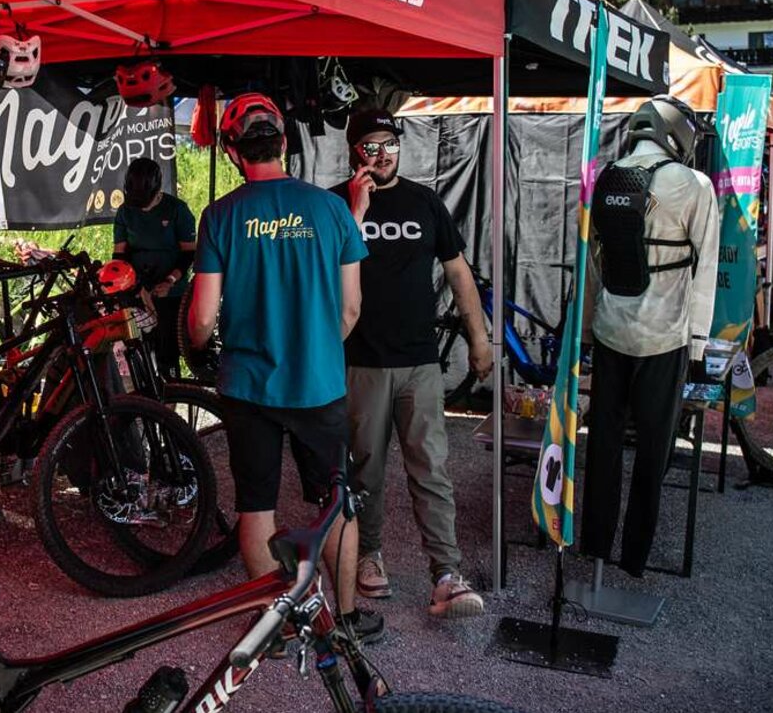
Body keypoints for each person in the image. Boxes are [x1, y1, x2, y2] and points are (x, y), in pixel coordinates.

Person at [186, 94, 383, 643]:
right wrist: (317, 346)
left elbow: (203, 317)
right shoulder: (332, 210)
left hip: (249, 387)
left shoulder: (221, 215)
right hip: (318, 385)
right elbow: (350, 309)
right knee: (334, 503)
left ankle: (275, 625)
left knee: (257, 504)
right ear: (285, 142)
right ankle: (344, 620)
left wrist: (197, 345)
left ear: (232, 150)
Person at [330, 109, 492, 619]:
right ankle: (368, 555)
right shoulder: (336, 203)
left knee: (431, 469)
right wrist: (356, 208)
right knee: (365, 468)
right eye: (370, 145)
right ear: (354, 151)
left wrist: (479, 339)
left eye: (389, 143)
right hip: (361, 361)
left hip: (420, 361)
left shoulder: (425, 201)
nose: (381, 154)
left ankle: (446, 573)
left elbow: (459, 273)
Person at [580, 95, 719, 577]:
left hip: (609, 331)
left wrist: (584, 331)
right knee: (653, 451)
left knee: (602, 446)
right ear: (678, 134)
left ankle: (594, 547)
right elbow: (707, 268)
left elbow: (593, 264)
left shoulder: (608, 176)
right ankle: (633, 559)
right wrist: (699, 344)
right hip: (665, 337)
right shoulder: (695, 185)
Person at [113, 157, 196, 377]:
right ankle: (143, 401)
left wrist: (170, 281)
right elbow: (119, 256)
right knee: (137, 351)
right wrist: (138, 287)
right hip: (136, 290)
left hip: (172, 291)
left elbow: (189, 253)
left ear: (158, 190)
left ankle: (170, 400)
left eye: (146, 202)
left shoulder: (177, 210)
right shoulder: (125, 212)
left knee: (167, 350)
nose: (142, 208)